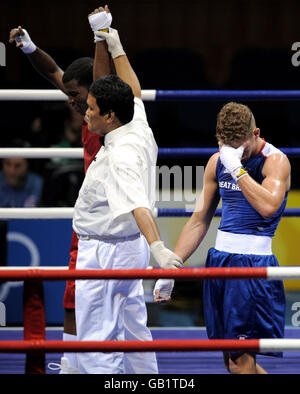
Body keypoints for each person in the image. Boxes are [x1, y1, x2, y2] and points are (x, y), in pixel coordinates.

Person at [72, 26, 182, 374]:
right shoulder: (136, 123)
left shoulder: (120, 156)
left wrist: (160, 250)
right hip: (125, 247)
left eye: (90, 109)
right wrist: (116, 45)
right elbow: (133, 89)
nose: (84, 114)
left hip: (106, 252)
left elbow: (138, 205)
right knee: (133, 326)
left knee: (96, 338)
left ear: (109, 116)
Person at [9, 6, 112, 373]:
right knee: (73, 291)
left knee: (120, 296)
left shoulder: (115, 112)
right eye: (68, 95)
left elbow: (101, 78)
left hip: (118, 219)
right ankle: (71, 362)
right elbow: (53, 72)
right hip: (88, 221)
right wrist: (28, 47)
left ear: (96, 90)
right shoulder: (86, 110)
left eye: (76, 94)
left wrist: (101, 33)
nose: (70, 101)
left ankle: (121, 364)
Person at [159, 102, 290, 374]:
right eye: (225, 146)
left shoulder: (275, 162)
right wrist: (172, 265)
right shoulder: (217, 162)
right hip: (219, 263)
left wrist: (237, 170)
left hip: (252, 267)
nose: (233, 154)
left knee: (240, 361)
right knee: (232, 361)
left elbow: (268, 207)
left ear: (256, 133)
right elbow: (199, 220)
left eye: (238, 147)